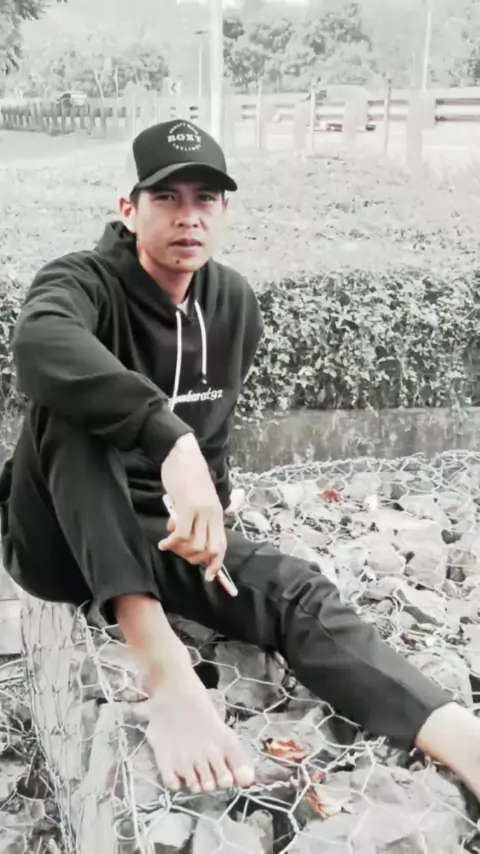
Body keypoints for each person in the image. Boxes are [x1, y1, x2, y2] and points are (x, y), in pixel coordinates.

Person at [1, 118, 479, 801]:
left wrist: (214, 519)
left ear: (225, 212)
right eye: (167, 198)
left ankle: (459, 736)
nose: (188, 216)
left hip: (155, 535)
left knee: (293, 589)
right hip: (56, 540)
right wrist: (170, 439)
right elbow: (40, 345)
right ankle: (163, 670)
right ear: (129, 209)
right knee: (70, 407)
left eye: (206, 199)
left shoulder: (232, 303)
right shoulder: (81, 282)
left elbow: (215, 439)